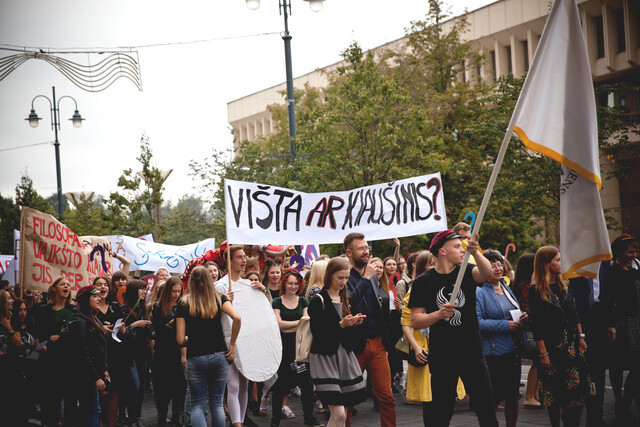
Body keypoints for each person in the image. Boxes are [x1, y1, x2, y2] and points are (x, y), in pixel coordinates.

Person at [409, 229, 497, 427]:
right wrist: (439, 314)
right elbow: (415, 320)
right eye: (457, 246)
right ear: (442, 251)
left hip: (471, 351)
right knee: (441, 412)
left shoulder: (467, 271)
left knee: (485, 408)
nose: (461, 250)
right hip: (442, 355)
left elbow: (486, 274)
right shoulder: (424, 281)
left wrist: (475, 252)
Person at [528, 246, 590, 427]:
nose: (562, 263)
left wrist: (580, 336)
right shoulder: (536, 289)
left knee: (577, 390)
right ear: (546, 264)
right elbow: (536, 324)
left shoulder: (565, 285)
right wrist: (543, 353)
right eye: (558, 260)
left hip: (571, 345)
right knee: (553, 393)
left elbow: (573, 312)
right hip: (551, 347)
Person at [401, 250, 465, 424]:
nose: (436, 267)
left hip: (444, 347)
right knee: (430, 401)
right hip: (424, 349)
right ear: (422, 268)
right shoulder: (415, 290)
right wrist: (416, 347)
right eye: (431, 264)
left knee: (446, 398)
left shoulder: (445, 288)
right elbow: (406, 323)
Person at [176, 266, 241, 427]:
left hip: (195, 356)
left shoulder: (184, 302)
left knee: (197, 404)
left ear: (191, 281)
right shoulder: (220, 298)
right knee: (217, 403)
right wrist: (232, 344)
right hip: (219, 354)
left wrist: (192, 338)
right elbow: (237, 318)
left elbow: (180, 339)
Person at [343, 232, 395, 427]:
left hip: (377, 343)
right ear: (349, 252)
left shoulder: (371, 274)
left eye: (367, 248)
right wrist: (365, 278)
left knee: (386, 397)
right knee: (349, 399)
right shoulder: (345, 276)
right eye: (361, 248)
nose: (366, 252)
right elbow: (350, 304)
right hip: (355, 346)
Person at [308, 257, 366, 427]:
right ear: (330, 275)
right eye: (340, 277)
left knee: (344, 413)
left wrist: (353, 324)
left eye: (347, 278)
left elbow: (345, 334)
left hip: (343, 356)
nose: (344, 282)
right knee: (339, 414)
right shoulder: (318, 300)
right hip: (324, 358)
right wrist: (342, 324)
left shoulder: (345, 298)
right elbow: (319, 334)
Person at [215, 245, 265, 427]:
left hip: (246, 340)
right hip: (226, 340)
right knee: (233, 385)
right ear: (229, 261)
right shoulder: (219, 286)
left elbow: (260, 313)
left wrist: (263, 292)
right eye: (239, 257)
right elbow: (212, 315)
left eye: (244, 257)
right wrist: (224, 301)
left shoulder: (248, 285)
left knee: (243, 385)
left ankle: (240, 422)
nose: (244, 260)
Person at [476, 250, 527, 427]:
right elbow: (478, 323)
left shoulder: (505, 287)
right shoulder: (479, 291)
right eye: (492, 265)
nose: (498, 268)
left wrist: (521, 318)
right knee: (494, 396)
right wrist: (506, 325)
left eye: (499, 264)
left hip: (512, 350)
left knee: (512, 395)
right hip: (493, 353)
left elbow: (511, 311)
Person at [270, 269, 323, 427]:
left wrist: (291, 325)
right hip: (284, 348)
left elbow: (307, 323)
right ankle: (275, 420)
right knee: (280, 385)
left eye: (296, 283)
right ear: (284, 284)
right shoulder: (277, 302)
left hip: (300, 347)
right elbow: (279, 325)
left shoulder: (303, 301)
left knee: (306, 384)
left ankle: (309, 418)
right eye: (290, 283)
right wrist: (299, 323)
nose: (293, 286)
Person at [34, 277, 76, 427]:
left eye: (68, 285)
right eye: (63, 284)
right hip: (50, 361)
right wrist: (45, 341)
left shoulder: (74, 311)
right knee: (51, 401)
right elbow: (37, 334)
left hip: (69, 361)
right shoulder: (44, 310)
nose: (66, 286)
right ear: (54, 288)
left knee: (70, 401)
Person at [66, 285, 110, 427]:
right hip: (85, 376)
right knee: (92, 410)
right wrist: (96, 377)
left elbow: (98, 349)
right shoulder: (79, 321)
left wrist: (104, 369)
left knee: (92, 410)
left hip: (92, 373)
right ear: (86, 300)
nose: (99, 298)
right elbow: (83, 353)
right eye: (95, 296)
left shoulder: (92, 318)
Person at [607, 234, 640, 422]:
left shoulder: (637, 267)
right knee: (619, 363)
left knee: (636, 366)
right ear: (619, 252)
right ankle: (621, 404)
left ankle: (626, 403)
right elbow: (610, 298)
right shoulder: (613, 271)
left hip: (637, 319)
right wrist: (611, 323)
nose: (633, 255)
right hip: (623, 321)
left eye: (635, 251)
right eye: (629, 251)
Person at [151, 276, 186, 426]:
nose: (176, 294)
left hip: (178, 352)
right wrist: (175, 322)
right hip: (163, 352)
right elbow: (159, 330)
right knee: (162, 388)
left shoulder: (184, 305)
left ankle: (176, 417)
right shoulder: (159, 306)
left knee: (179, 388)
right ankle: (162, 416)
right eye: (173, 291)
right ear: (167, 291)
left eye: (179, 291)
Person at [94, 275, 128, 427]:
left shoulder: (115, 307)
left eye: (105, 284)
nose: (103, 287)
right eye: (99, 284)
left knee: (115, 391)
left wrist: (122, 329)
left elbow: (122, 330)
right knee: (103, 391)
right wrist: (101, 329)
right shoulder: (92, 308)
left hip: (116, 353)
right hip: (98, 354)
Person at [120, 280, 153, 427]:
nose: (144, 292)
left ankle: (137, 417)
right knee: (135, 385)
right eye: (142, 289)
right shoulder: (123, 310)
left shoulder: (143, 308)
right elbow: (119, 333)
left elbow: (148, 334)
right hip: (128, 354)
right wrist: (134, 325)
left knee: (141, 388)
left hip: (142, 353)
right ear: (134, 291)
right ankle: (131, 418)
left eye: (145, 289)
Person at [511, 253, 540, 407]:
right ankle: (530, 395)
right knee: (539, 360)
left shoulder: (517, 285)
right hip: (530, 329)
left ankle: (533, 394)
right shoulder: (527, 286)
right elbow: (528, 306)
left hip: (525, 329)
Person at [0, 289, 23, 426]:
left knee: (12, 405)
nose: (12, 300)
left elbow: (18, 343)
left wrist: (8, 327)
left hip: (12, 367)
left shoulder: (13, 319)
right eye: (9, 298)